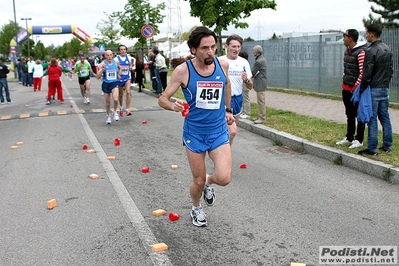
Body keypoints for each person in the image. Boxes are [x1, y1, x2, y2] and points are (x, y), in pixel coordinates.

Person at [158, 26, 235, 227]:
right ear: (193, 49)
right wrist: (172, 105)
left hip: (218, 131)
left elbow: (227, 85)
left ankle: (210, 182)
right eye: (204, 48)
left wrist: (228, 110)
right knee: (197, 181)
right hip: (195, 133)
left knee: (225, 178)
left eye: (213, 47)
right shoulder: (183, 71)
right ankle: (196, 207)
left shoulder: (222, 64)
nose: (210, 52)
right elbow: (163, 99)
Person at [358, 24, 393, 156]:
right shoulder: (387, 49)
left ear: (371, 34)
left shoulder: (371, 50)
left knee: (371, 118)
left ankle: (372, 148)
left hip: (373, 88)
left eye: (367, 33)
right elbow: (390, 70)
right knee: (385, 117)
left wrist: (362, 88)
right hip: (384, 88)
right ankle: (387, 145)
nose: (366, 35)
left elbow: (367, 73)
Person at [336, 29, 367, 149]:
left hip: (355, 90)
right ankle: (349, 137)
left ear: (351, 38)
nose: (343, 38)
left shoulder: (361, 52)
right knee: (349, 113)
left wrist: (355, 87)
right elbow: (347, 68)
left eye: (345, 36)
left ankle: (359, 139)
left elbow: (362, 72)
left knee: (359, 114)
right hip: (346, 87)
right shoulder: (347, 51)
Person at [219, 34, 253, 145]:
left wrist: (246, 80)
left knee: (232, 132)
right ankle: (223, 154)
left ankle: (226, 153)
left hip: (238, 99)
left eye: (238, 47)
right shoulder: (219, 61)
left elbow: (250, 86)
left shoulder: (244, 62)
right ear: (227, 46)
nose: (236, 49)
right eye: (233, 46)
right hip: (223, 99)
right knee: (232, 131)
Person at [96, 49, 121, 124]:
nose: (109, 57)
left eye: (111, 55)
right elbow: (98, 76)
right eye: (107, 55)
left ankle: (115, 111)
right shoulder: (102, 64)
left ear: (113, 55)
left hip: (114, 83)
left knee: (116, 99)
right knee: (108, 103)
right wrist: (102, 70)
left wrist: (118, 74)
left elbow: (121, 68)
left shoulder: (116, 63)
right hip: (106, 84)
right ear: (105, 56)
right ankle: (108, 115)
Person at [251, 45, 267, 124]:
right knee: (260, 100)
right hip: (261, 82)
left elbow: (252, 71)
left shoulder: (259, 61)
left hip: (260, 82)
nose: (252, 52)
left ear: (257, 52)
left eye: (253, 51)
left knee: (261, 101)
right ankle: (260, 115)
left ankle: (262, 118)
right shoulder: (261, 59)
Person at [116, 45, 133, 116]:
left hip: (127, 77)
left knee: (128, 92)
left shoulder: (129, 58)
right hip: (120, 78)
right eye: (121, 49)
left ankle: (128, 109)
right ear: (119, 51)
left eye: (124, 49)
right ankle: (121, 107)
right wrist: (119, 69)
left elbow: (132, 61)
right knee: (120, 95)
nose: (123, 51)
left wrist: (131, 65)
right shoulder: (116, 59)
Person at [239, 50, 251, 119]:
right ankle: (243, 111)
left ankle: (247, 113)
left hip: (245, 82)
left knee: (245, 98)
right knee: (243, 97)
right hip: (242, 83)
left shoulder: (245, 64)